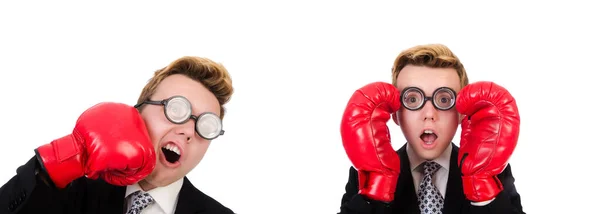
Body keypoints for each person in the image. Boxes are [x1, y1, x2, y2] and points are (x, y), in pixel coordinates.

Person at [0, 56, 235, 214]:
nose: (188, 131)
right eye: (176, 110)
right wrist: (55, 163)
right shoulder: (72, 187)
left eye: (206, 125)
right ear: (137, 112)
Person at [338, 44, 525, 214]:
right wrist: (376, 189)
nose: (429, 113)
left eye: (444, 99)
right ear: (395, 113)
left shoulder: (494, 173)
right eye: (412, 99)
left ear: (461, 112)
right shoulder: (364, 175)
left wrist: (482, 188)